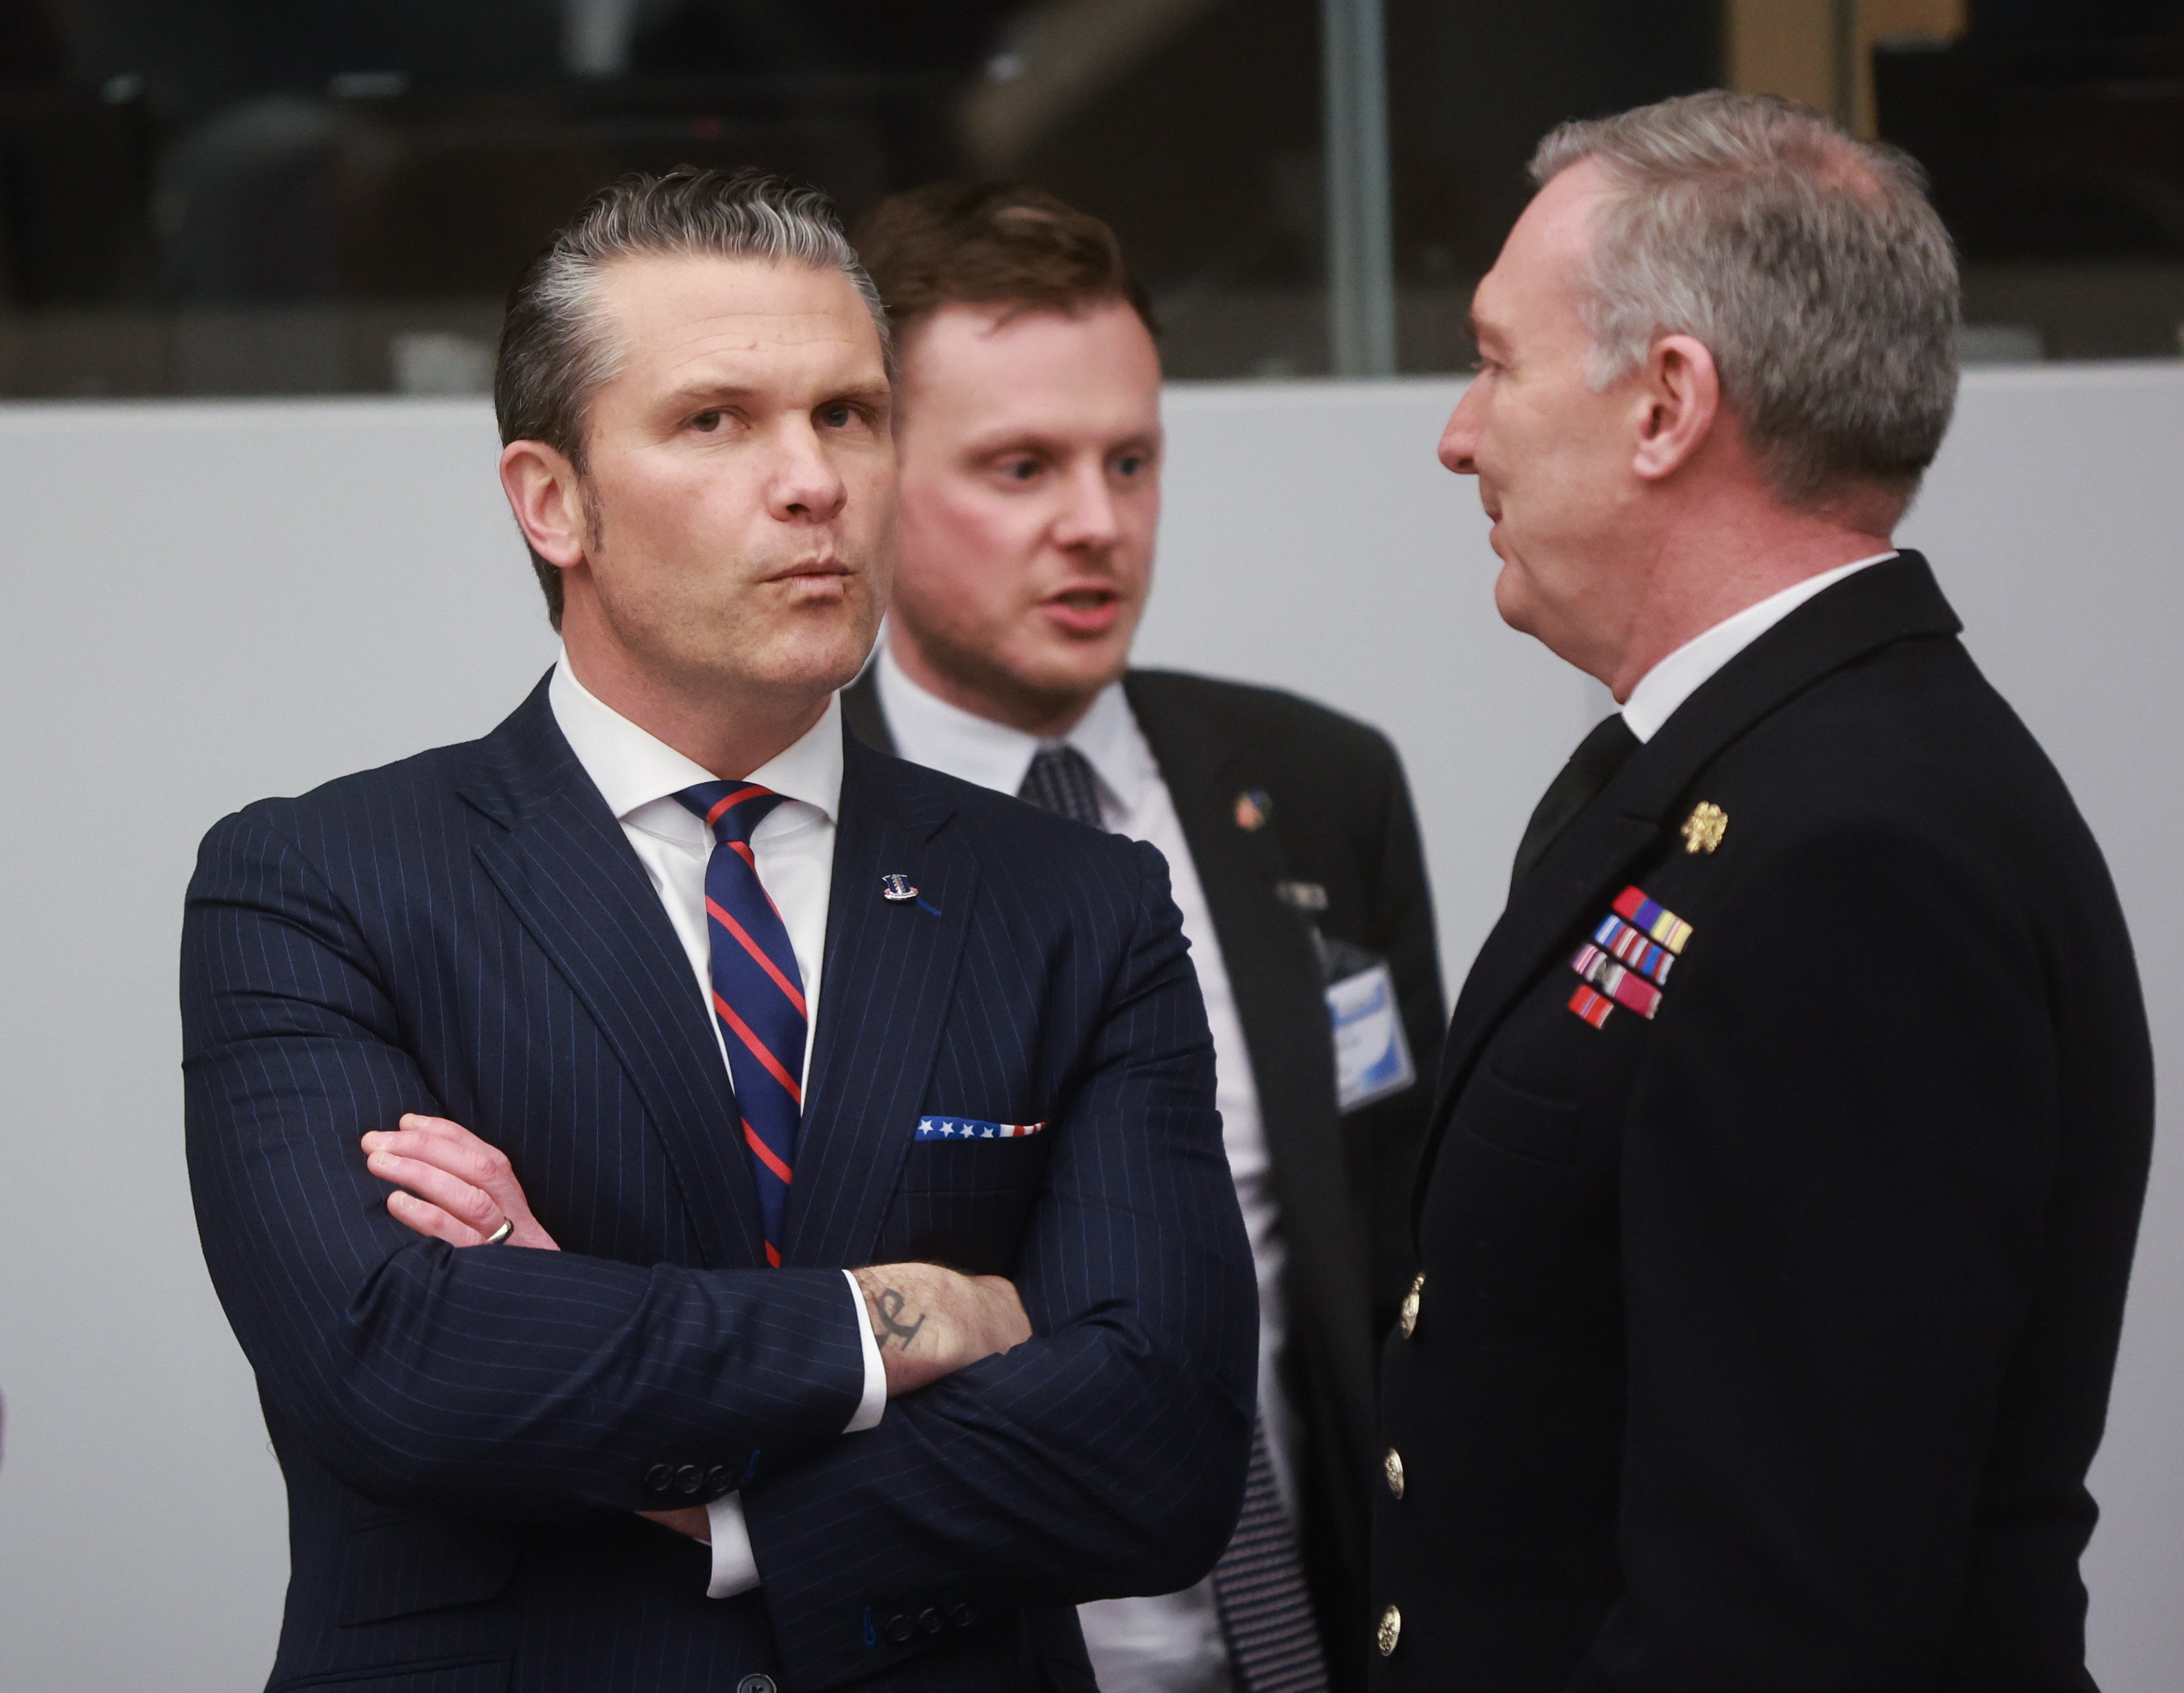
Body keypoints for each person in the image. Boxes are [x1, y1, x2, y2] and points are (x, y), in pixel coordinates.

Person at [180, 168, 1258, 1693]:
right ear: (552, 502)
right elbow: (398, 1365)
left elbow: (1160, 1451)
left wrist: (715, 1497)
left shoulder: (1077, 901)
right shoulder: (319, 883)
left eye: (849, 415)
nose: (813, 480)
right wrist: (915, 1318)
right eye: (717, 422)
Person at [1374, 93, 2153, 1689]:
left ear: (1667, 404)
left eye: (1498, 360)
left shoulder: (1857, 855)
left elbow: (1780, 1616)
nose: (1459, 431)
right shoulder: (1727, 775)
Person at [835, 183, 1446, 1693]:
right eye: (1020, 467)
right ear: (870, 478)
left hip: (1307, 1647)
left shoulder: (1314, 789)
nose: (1096, 524)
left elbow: (1396, 1241)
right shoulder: (781, 837)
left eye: (1131, 460)